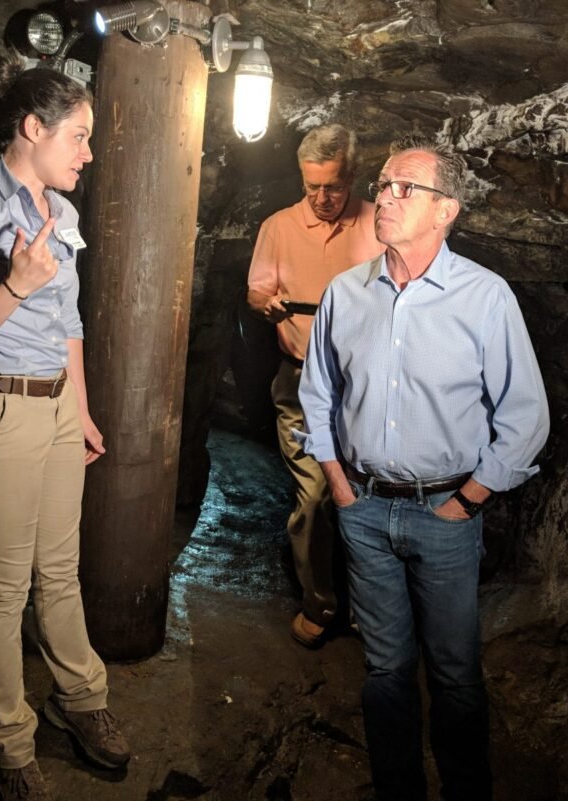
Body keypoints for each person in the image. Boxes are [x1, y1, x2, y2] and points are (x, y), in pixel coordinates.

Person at [298, 135, 550, 800]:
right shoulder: (345, 293)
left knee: (455, 673)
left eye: (405, 188)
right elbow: (317, 396)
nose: (385, 197)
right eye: (383, 185)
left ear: (446, 210)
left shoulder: (485, 297)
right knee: (385, 671)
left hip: (445, 515)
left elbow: (525, 415)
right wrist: (341, 488)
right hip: (364, 511)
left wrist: (466, 501)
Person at [0, 57, 129, 801]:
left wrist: (82, 409)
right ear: (33, 128)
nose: (88, 153)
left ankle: (81, 700)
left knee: (61, 572)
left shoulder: (62, 215)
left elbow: (68, 324)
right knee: (4, 588)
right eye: (79, 136)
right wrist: (14, 283)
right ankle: (7, 742)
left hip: (57, 406)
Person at [246, 123, 384, 647]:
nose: (322, 199)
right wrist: (268, 305)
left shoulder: (378, 222)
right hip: (301, 381)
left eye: (333, 187)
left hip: (367, 383)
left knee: (372, 492)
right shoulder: (279, 227)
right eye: (312, 188)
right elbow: (257, 291)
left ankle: (371, 606)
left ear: (352, 177)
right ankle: (320, 602)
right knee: (316, 495)